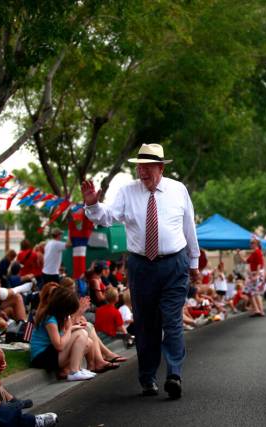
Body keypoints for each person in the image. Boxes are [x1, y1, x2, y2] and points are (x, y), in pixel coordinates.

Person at [82, 143, 199, 399]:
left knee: (172, 320)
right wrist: (93, 205)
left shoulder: (178, 190)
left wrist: (194, 263)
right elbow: (107, 217)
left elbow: (189, 226)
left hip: (174, 263)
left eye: (147, 167)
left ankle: (174, 375)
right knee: (146, 325)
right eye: (139, 167)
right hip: (141, 265)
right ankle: (147, 378)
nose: (142, 172)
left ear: (160, 167)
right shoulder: (126, 191)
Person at [30, 286, 97, 381]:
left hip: (51, 353)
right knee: (81, 333)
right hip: (41, 357)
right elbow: (59, 345)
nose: (69, 314)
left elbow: (63, 338)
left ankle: (76, 368)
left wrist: (71, 327)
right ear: (63, 307)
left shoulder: (62, 316)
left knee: (88, 342)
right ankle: (74, 372)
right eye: (69, 310)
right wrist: (70, 328)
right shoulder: (50, 319)